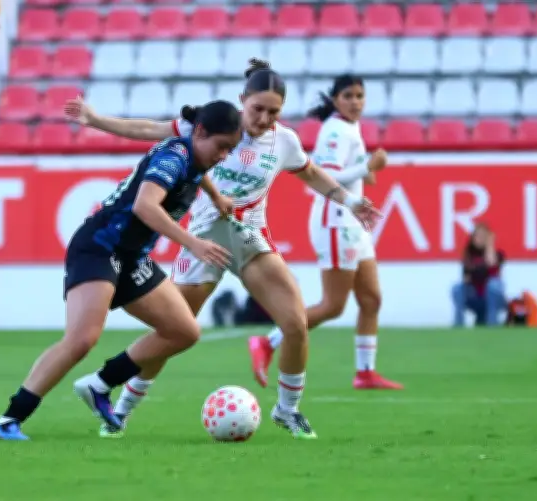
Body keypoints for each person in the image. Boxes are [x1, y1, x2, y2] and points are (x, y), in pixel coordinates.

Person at [64, 59, 381, 440]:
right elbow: (149, 129)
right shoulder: (211, 126)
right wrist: (96, 120)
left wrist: (350, 200)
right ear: (242, 100)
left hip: (249, 240)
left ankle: (288, 410)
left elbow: (312, 173)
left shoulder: (285, 142)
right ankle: (121, 411)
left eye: (273, 111)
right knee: (172, 334)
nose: (264, 118)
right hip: (204, 243)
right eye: (257, 109)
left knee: (295, 323)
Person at [0, 100, 241, 441]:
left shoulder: (196, 153)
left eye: (231, 150)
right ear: (200, 132)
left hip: (132, 256)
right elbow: (144, 205)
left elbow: (190, 166)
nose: (224, 156)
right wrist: (192, 242)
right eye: (222, 147)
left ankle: (99, 385)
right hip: (100, 245)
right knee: (81, 339)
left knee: (183, 331)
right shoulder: (174, 157)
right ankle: (9, 420)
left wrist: (215, 197)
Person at [250, 75, 403, 391]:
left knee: (371, 299)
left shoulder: (348, 127)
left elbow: (353, 172)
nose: (355, 101)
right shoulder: (335, 130)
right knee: (333, 305)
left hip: (353, 224)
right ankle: (268, 342)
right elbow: (327, 176)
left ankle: (365, 373)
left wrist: (367, 172)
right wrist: (367, 166)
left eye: (360, 95)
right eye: (348, 95)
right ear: (335, 100)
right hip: (336, 221)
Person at [452, 222, 506, 326]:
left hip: (492, 298)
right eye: (477, 236)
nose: (479, 239)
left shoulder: (498, 254)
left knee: (493, 285)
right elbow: (466, 277)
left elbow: (492, 264)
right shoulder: (469, 255)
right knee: (457, 288)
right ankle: (458, 324)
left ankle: (492, 323)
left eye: (483, 236)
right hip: (475, 295)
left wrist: (490, 245)